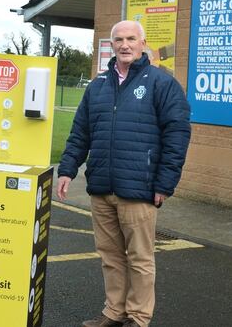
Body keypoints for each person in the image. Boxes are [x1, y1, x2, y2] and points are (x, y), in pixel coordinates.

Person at [57, 20, 191, 327]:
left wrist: (165, 183)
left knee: (140, 259)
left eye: (131, 38)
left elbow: (177, 134)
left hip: (139, 188)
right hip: (102, 187)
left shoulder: (162, 83)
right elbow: (80, 133)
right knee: (110, 256)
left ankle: (138, 318)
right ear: (112, 44)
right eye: (119, 39)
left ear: (143, 44)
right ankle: (113, 312)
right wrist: (67, 170)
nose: (125, 44)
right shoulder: (98, 86)